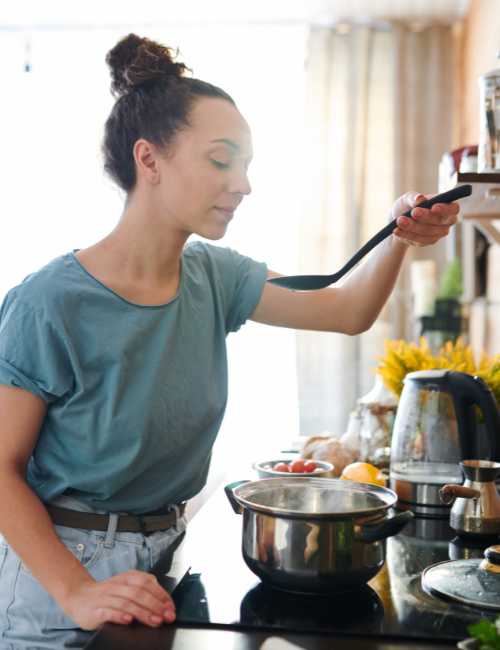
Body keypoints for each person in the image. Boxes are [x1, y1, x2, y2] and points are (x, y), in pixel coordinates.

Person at [0, 32, 459, 647]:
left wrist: (399, 234)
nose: (243, 185)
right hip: (61, 573)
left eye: (246, 166)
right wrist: (77, 591)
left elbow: (348, 310)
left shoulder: (214, 276)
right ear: (148, 160)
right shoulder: (47, 302)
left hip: (168, 553)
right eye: (222, 161)